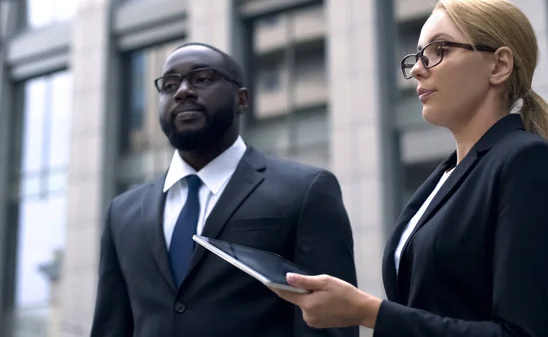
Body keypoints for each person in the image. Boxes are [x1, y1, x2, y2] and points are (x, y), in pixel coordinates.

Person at [271, 1, 548, 336]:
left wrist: (368, 311)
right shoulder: (443, 179)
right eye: (417, 56)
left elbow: (525, 333)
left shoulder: (529, 162)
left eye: (439, 50)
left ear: (499, 65)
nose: (418, 69)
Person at [90, 42, 359, 337]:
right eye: (169, 85)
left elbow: (332, 323)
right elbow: (111, 326)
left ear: (241, 100)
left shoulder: (306, 191)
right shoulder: (123, 212)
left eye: (202, 79)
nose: (182, 91)